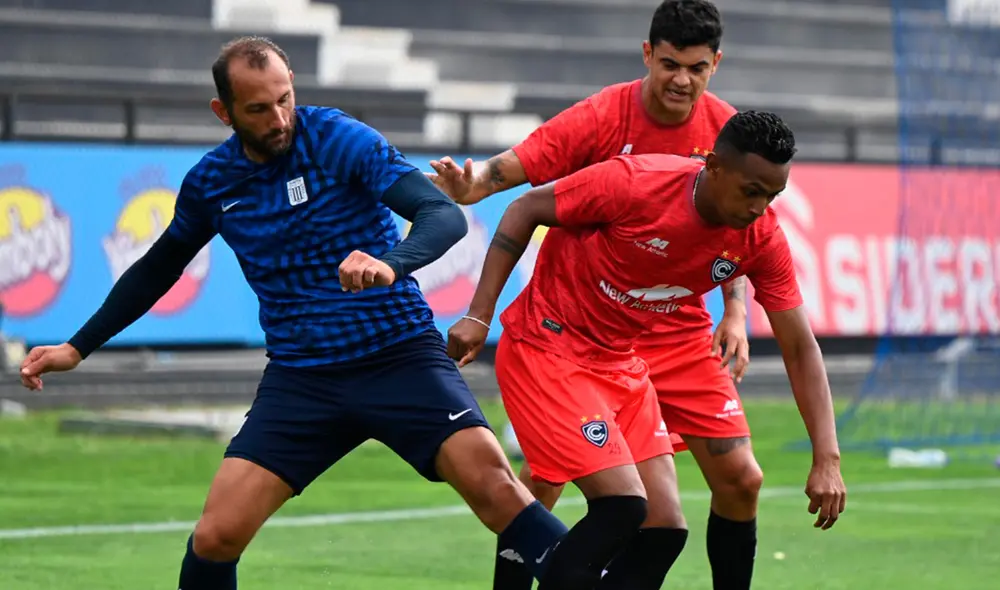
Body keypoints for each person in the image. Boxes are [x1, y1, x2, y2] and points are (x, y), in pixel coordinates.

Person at [15, 36, 612, 590]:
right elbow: (157, 267)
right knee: (216, 536)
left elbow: (443, 216)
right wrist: (78, 346)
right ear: (223, 113)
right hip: (303, 379)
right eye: (258, 110)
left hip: (397, 353)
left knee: (497, 492)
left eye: (284, 99)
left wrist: (391, 263)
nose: (278, 120)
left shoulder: (336, 138)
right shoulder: (211, 183)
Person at [429, 1, 766, 588]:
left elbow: (735, 227)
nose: (681, 80)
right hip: (580, 327)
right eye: (668, 64)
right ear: (647, 55)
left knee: (737, 480)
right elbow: (516, 169)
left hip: (677, 331)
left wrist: (734, 311)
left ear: (716, 63)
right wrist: (474, 183)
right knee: (547, 483)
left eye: (695, 67)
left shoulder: (725, 133)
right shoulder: (604, 116)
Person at [448, 111, 848, 590]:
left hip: (621, 362)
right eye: (751, 191)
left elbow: (800, 347)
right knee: (618, 505)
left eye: (772, 195)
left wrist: (827, 456)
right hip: (549, 347)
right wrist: (478, 314)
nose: (760, 207)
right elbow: (525, 207)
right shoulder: (636, 183)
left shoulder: (759, 237)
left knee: (664, 531)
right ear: (714, 165)